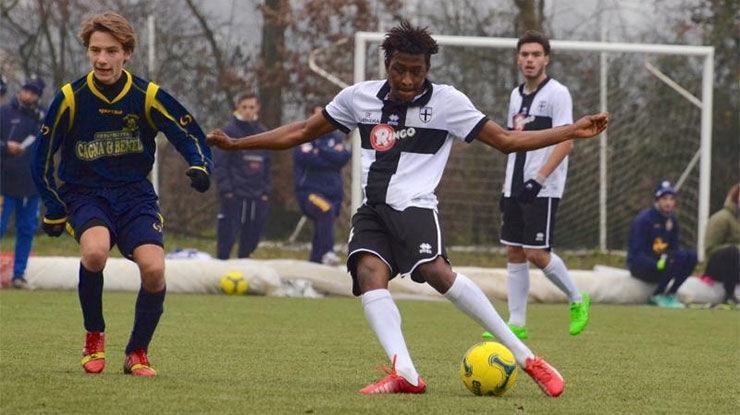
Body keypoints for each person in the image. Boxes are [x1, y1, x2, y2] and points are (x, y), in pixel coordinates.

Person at [207, 20, 608, 397]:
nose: (407, 80)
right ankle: (406, 374)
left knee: (436, 272)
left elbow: (506, 140)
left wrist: (572, 130)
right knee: (367, 272)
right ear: (387, 64)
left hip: (415, 207)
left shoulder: (448, 102)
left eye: (416, 72)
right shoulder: (359, 98)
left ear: (427, 69)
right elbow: (302, 130)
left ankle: (528, 359)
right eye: (399, 69)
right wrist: (238, 144)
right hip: (372, 209)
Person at [32, 12, 212, 377]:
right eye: (95, 50)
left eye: (111, 51)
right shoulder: (70, 97)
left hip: (134, 196)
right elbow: (41, 157)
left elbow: (188, 132)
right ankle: (94, 336)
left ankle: (137, 352)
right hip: (85, 193)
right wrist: (53, 204)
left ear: (127, 53)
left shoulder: (147, 96)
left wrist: (200, 164)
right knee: (95, 252)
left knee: (155, 269)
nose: (102, 59)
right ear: (87, 51)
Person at [487, 31, 589, 341]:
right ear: (518, 59)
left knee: (536, 253)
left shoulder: (558, 93)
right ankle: (516, 322)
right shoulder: (516, 95)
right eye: (525, 54)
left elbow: (567, 140)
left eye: (536, 54)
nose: (530, 60)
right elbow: (512, 140)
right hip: (515, 186)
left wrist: (539, 179)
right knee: (514, 251)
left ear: (546, 59)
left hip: (542, 187)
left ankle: (577, 298)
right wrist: (507, 187)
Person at [0, 77, 45, 289]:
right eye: (27, 90)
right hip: (4, 183)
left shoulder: (42, 118)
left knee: (26, 230)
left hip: (31, 185)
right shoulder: (4, 113)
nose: (29, 95)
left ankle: (19, 275)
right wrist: (6, 147)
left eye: (34, 92)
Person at [213, 93, 270, 259]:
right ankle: (222, 264)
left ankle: (245, 262)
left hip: (256, 195)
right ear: (238, 108)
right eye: (244, 107)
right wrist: (227, 191)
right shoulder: (228, 132)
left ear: (257, 108)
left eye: (251, 107)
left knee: (252, 237)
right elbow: (220, 164)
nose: (248, 111)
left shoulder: (263, 133)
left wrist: (265, 192)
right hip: (235, 195)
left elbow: (267, 166)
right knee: (227, 235)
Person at [293, 105, 351, 265]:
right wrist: (331, 156)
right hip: (310, 192)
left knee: (325, 222)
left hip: (333, 192)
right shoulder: (304, 137)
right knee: (325, 210)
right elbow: (307, 158)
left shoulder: (337, 138)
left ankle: (315, 262)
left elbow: (343, 157)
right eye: (318, 116)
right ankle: (327, 252)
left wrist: (319, 149)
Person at [627, 180, 697, 308]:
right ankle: (657, 295)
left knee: (691, 256)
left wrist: (669, 260)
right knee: (673, 259)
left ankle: (671, 293)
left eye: (671, 199)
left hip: (662, 263)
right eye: (664, 199)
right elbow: (635, 254)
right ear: (657, 200)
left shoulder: (672, 220)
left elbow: (674, 248)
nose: (668, 203)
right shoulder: (644, 220)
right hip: (642, 267)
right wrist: (656, 264)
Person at [702, 183, 739, 306]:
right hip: (717, 267)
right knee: (732, 252)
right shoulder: (721, 218)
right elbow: (710, 249)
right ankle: (729, 295)